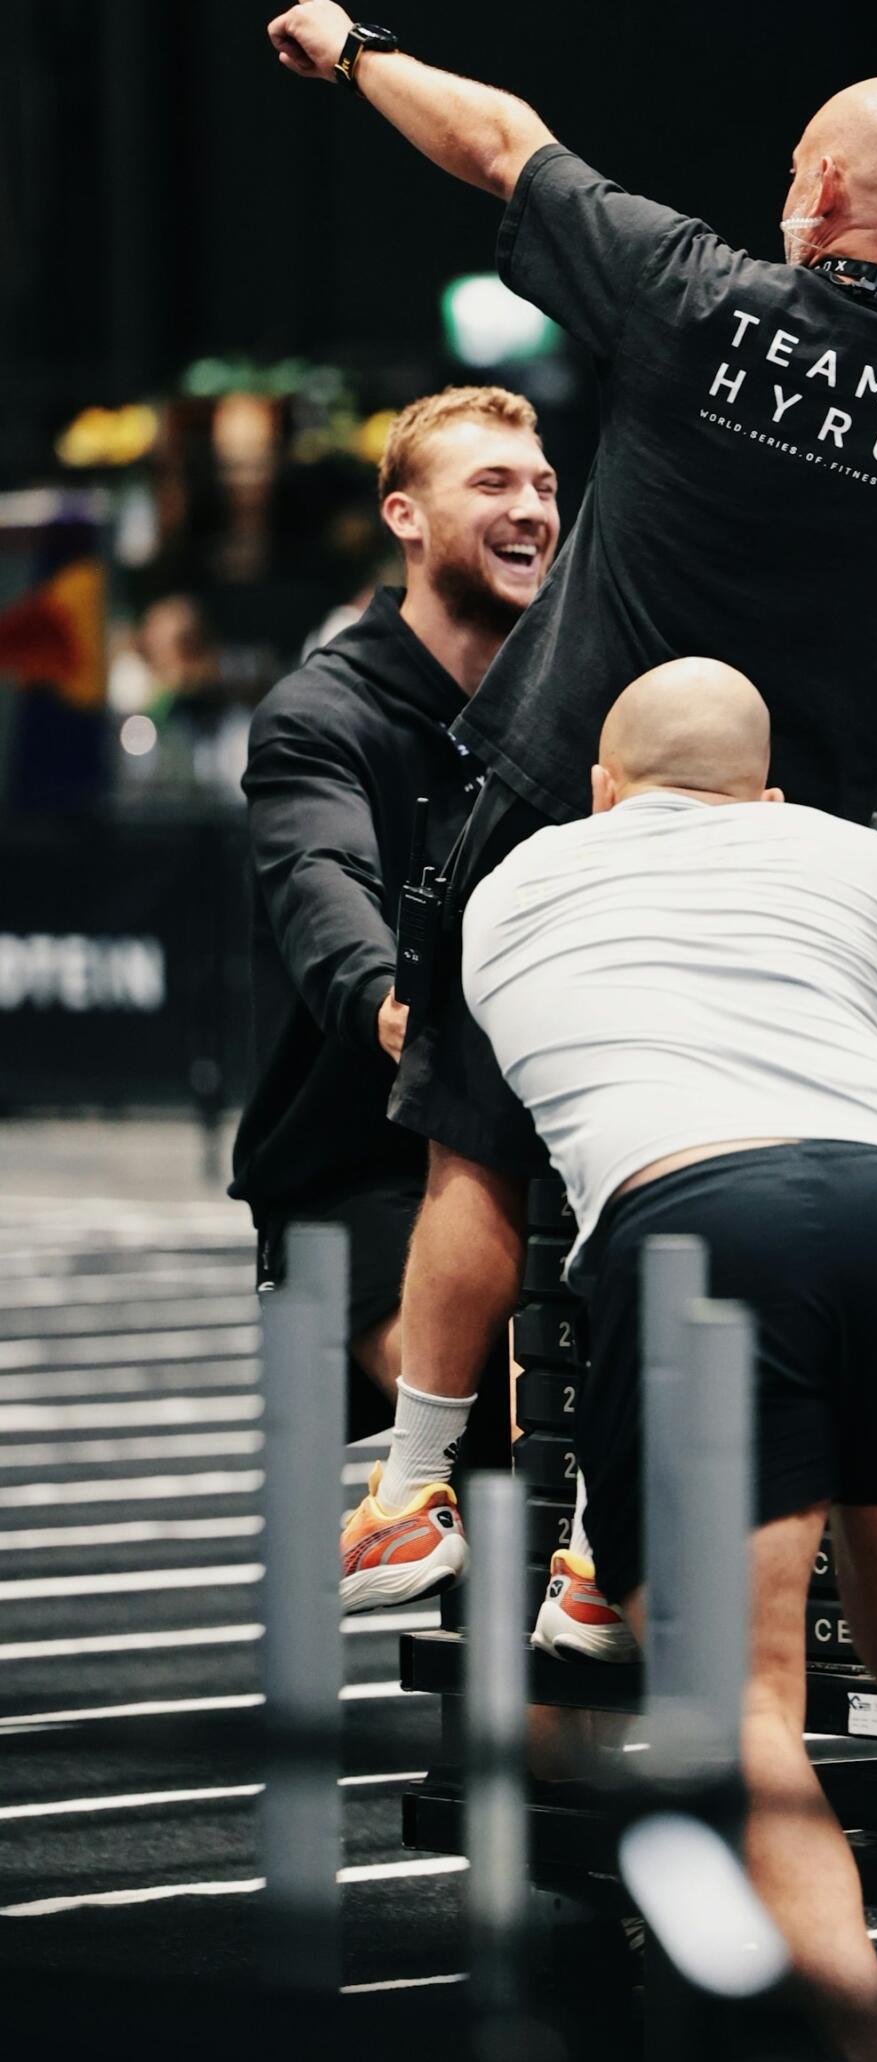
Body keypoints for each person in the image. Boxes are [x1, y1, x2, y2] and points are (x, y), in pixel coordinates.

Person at [263, 0, 877, 1609]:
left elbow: (498, 144)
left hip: (558, 804)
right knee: (704, 1168)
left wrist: (353, 54)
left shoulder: (701, 295)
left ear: (821, 189)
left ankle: (412, 1494)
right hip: (800, 872)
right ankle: (615, 1547)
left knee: (479, 1158)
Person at [461, 657, 877, 2062]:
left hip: (692, 1225)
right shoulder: (858, 862)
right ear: (771, 789)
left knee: (738, 1693)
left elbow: (517, 1140)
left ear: (601, 788)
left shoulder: (510, 889)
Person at [230, 387, 558, 1604]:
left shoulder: (579, 696)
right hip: (361, 1167)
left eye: (541, 486)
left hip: (542, 1150)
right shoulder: (322, 714)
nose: (529, 508)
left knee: (597, 1440)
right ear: (403, 518)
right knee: (512, 1441)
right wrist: (388, 1000)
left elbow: (733, 787)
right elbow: (321, 889)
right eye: (493, 485)